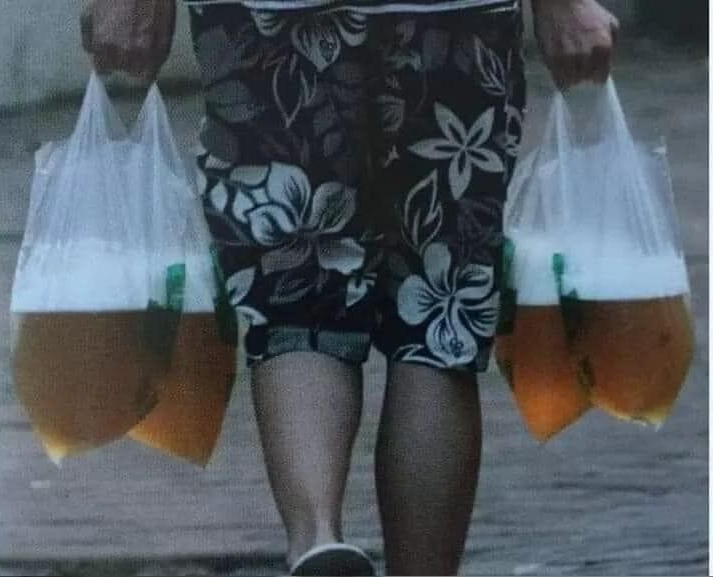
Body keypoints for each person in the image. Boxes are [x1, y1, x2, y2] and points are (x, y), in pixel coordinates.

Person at [80, 0, 618, 574]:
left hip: (272, 20)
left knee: (294, 292)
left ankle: (316, 540)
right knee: (440, 314)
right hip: (453, 18)